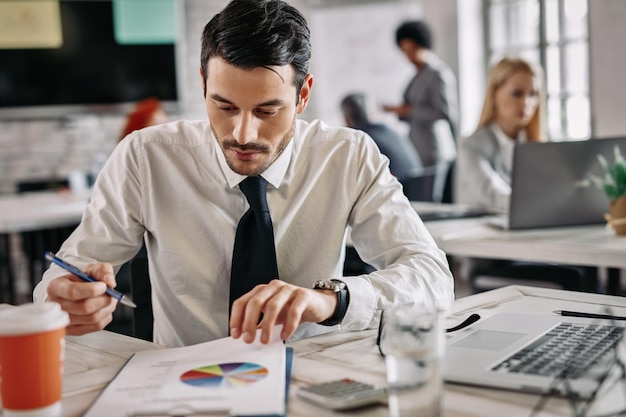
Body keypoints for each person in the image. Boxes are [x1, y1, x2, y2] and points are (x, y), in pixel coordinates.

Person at [34, 0, 454, 348]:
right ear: (203, 85)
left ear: (303, 95)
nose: (243, 134)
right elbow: (64, 275)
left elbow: (432, 278)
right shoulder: (145, 158)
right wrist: (66, 299)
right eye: (225, 106)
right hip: (184, 388)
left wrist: (331, 300)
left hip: (311, 381)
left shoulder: (347, 155)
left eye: (268, 111)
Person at [455, 57, 544, 212]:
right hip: (480, 233)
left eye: (533, 94)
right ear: (495, 93)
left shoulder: (537, 145)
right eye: (517, 93)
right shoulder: (470, 146)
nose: (526, 102)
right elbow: (493, 195)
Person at [383, 20, 458, 201]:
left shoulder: (437, 73)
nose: (408, 56)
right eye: (405, 51)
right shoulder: (418, 74)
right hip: (418, 148)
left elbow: (444, 112)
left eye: (412, 49)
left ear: (423, 45)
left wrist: (408, 110)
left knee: (433, 201)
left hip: (434, 150)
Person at [340, 92, 422, 182]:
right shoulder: (392, 132)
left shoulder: (360, 140)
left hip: (400, 191)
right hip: (419, 189)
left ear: (347, 119)